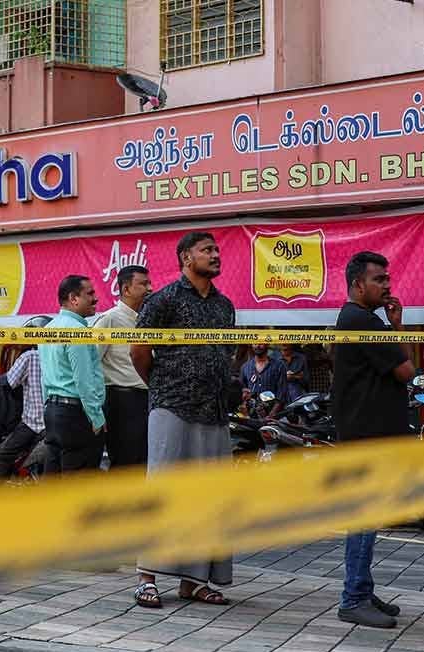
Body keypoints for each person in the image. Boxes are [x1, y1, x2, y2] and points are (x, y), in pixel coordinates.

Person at [131, 231, 235, 608]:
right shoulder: (163, 300)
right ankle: (147, 576)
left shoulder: (224, 306)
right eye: (207, 249)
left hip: (215, 411)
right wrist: (161, 387)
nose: (215, 254)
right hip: (172, 407)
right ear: (185, 258)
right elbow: (139, 351)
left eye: (216, 248)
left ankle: (195, 580)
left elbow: (229, 354)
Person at [333, 251, 415, 628]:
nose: (387, 285)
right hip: (367, 435)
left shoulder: (364, 320)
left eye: (387, 278)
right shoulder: (361, 320)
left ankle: (361, 587)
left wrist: (394, 324)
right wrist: (397, 329)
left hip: (367, 432)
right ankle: (353, 597)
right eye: (378, 279)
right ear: (357, 284)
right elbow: (407, 370)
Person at [38, 275, 105, 474]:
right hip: (76, 416)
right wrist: (96, 416)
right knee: (79, 485)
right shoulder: (78, 332)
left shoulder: (48, 329)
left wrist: (48, 408)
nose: (95, 299)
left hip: (53, 412)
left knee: (54, 485)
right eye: (90, 294)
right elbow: (83, 380)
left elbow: (45, 377)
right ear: (74, 299)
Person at [94, 265, 152, 469]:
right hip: (121, 402)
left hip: (148, 400)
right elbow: (93, 364)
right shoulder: (109, 319)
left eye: (149, 283)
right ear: (126, 289)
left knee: (145, 463)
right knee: (125, 464)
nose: (150, 288)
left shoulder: (148, 319)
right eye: (143, 284)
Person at [0, 316, 50, 480]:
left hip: (33, 424)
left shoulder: (30, 356)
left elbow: (7, 383)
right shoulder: (58, 355)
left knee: (0, 456)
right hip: (55, 423)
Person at [240, 344, 286, 415]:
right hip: (251, 415)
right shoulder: (245, 367)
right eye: (255, 343)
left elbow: (282, 394)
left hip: (274, 417)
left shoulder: (279, 366)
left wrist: (271, 415)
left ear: (267, 344)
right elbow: (243, 390)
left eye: (261, 343)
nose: (257, 346)